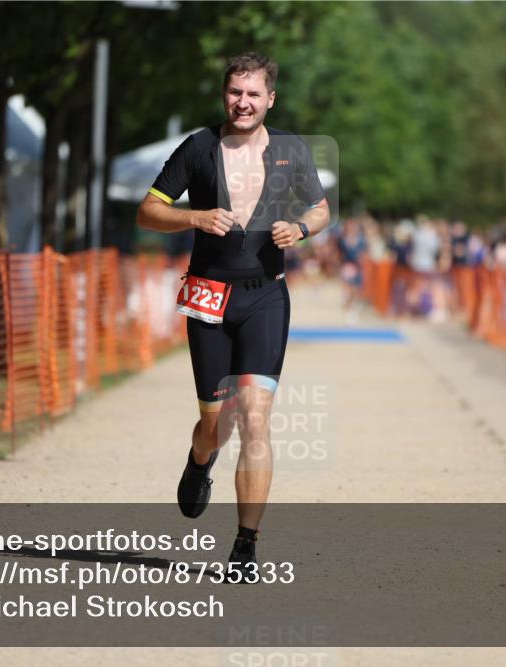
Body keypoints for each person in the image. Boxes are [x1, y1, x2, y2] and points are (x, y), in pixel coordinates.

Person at [136, 53, 330, 579]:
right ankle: (201, 459)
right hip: (209, 295)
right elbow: (148, 210)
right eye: (234, 92)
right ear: (225, 95)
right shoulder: (198, 148)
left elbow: (320, 207)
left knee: (256, 418)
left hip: (265, 296)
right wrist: (194, 216)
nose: (242, 102)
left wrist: (303, 229)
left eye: (253, 94)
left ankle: (245, 545)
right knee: (214, 423)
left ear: (271, 99)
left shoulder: (291, 150)